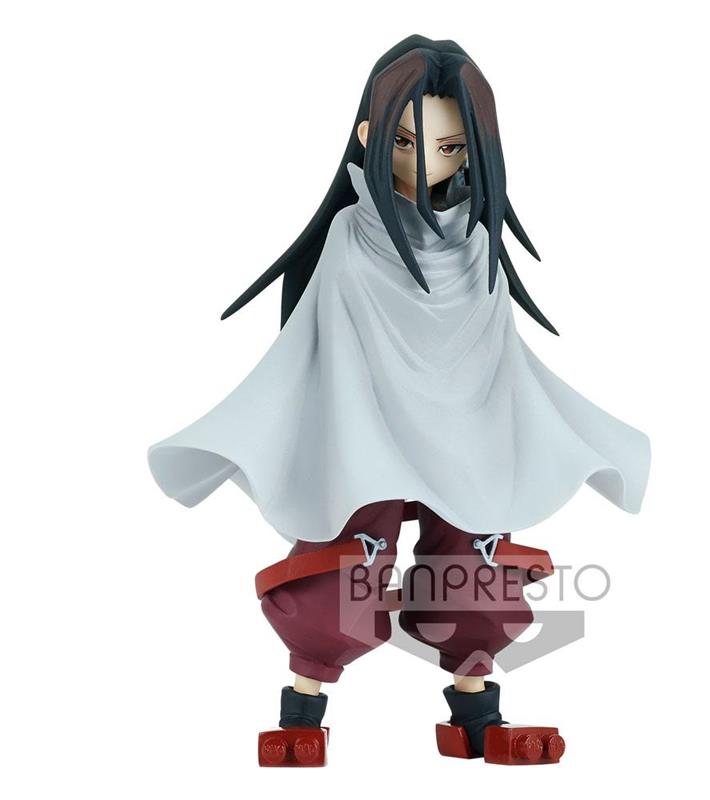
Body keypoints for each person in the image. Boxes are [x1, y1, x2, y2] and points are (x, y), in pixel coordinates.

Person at [148, 35, 650, 766]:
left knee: (473, 566)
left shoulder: (477, 250)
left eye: (448, 147)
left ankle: (477, 719)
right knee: (345, 564)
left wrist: (498, 437)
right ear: (370, 135)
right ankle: (301, 712)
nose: (425, 162)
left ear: (473, 150)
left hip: (465, 435)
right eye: (407, 142)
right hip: (365, 430)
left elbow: (495, 360)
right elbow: (325, 344)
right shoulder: (352, 240)